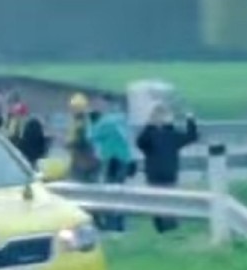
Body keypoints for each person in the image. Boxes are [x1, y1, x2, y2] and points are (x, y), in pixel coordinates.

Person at [136, 103, 199, 233]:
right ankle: (162, 228)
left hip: (167, 173)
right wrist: (150, 125)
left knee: (169, 201)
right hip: (155, 174)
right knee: (158, 203)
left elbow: (191, 136)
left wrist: (190, 119)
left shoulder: (172, 134)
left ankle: (170, 228)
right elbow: (140, 143)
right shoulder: (150, 134)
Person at [88, 96, 133, 233]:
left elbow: (91, 136)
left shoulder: (105, 122)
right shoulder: (122, 119)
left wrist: (91, 121)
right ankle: (119, 223)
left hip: (111, 159)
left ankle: (112, 224)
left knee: (110, 192)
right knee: (119, 191)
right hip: (123, 159)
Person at [65, 93, 101, 183]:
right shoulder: (79, 121)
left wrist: (70, 144)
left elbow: (83, 141)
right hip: (81, 159)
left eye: (73, 108)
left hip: (84, 160)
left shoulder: (83, 122)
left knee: (81, 182)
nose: (71, 110)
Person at [4, 101, 48, 168]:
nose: (16, 117)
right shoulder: (18, 124)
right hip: (28, 157)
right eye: (15, 115)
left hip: (27, 158)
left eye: (18, 115)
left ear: (23, 115)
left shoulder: (30, 125)